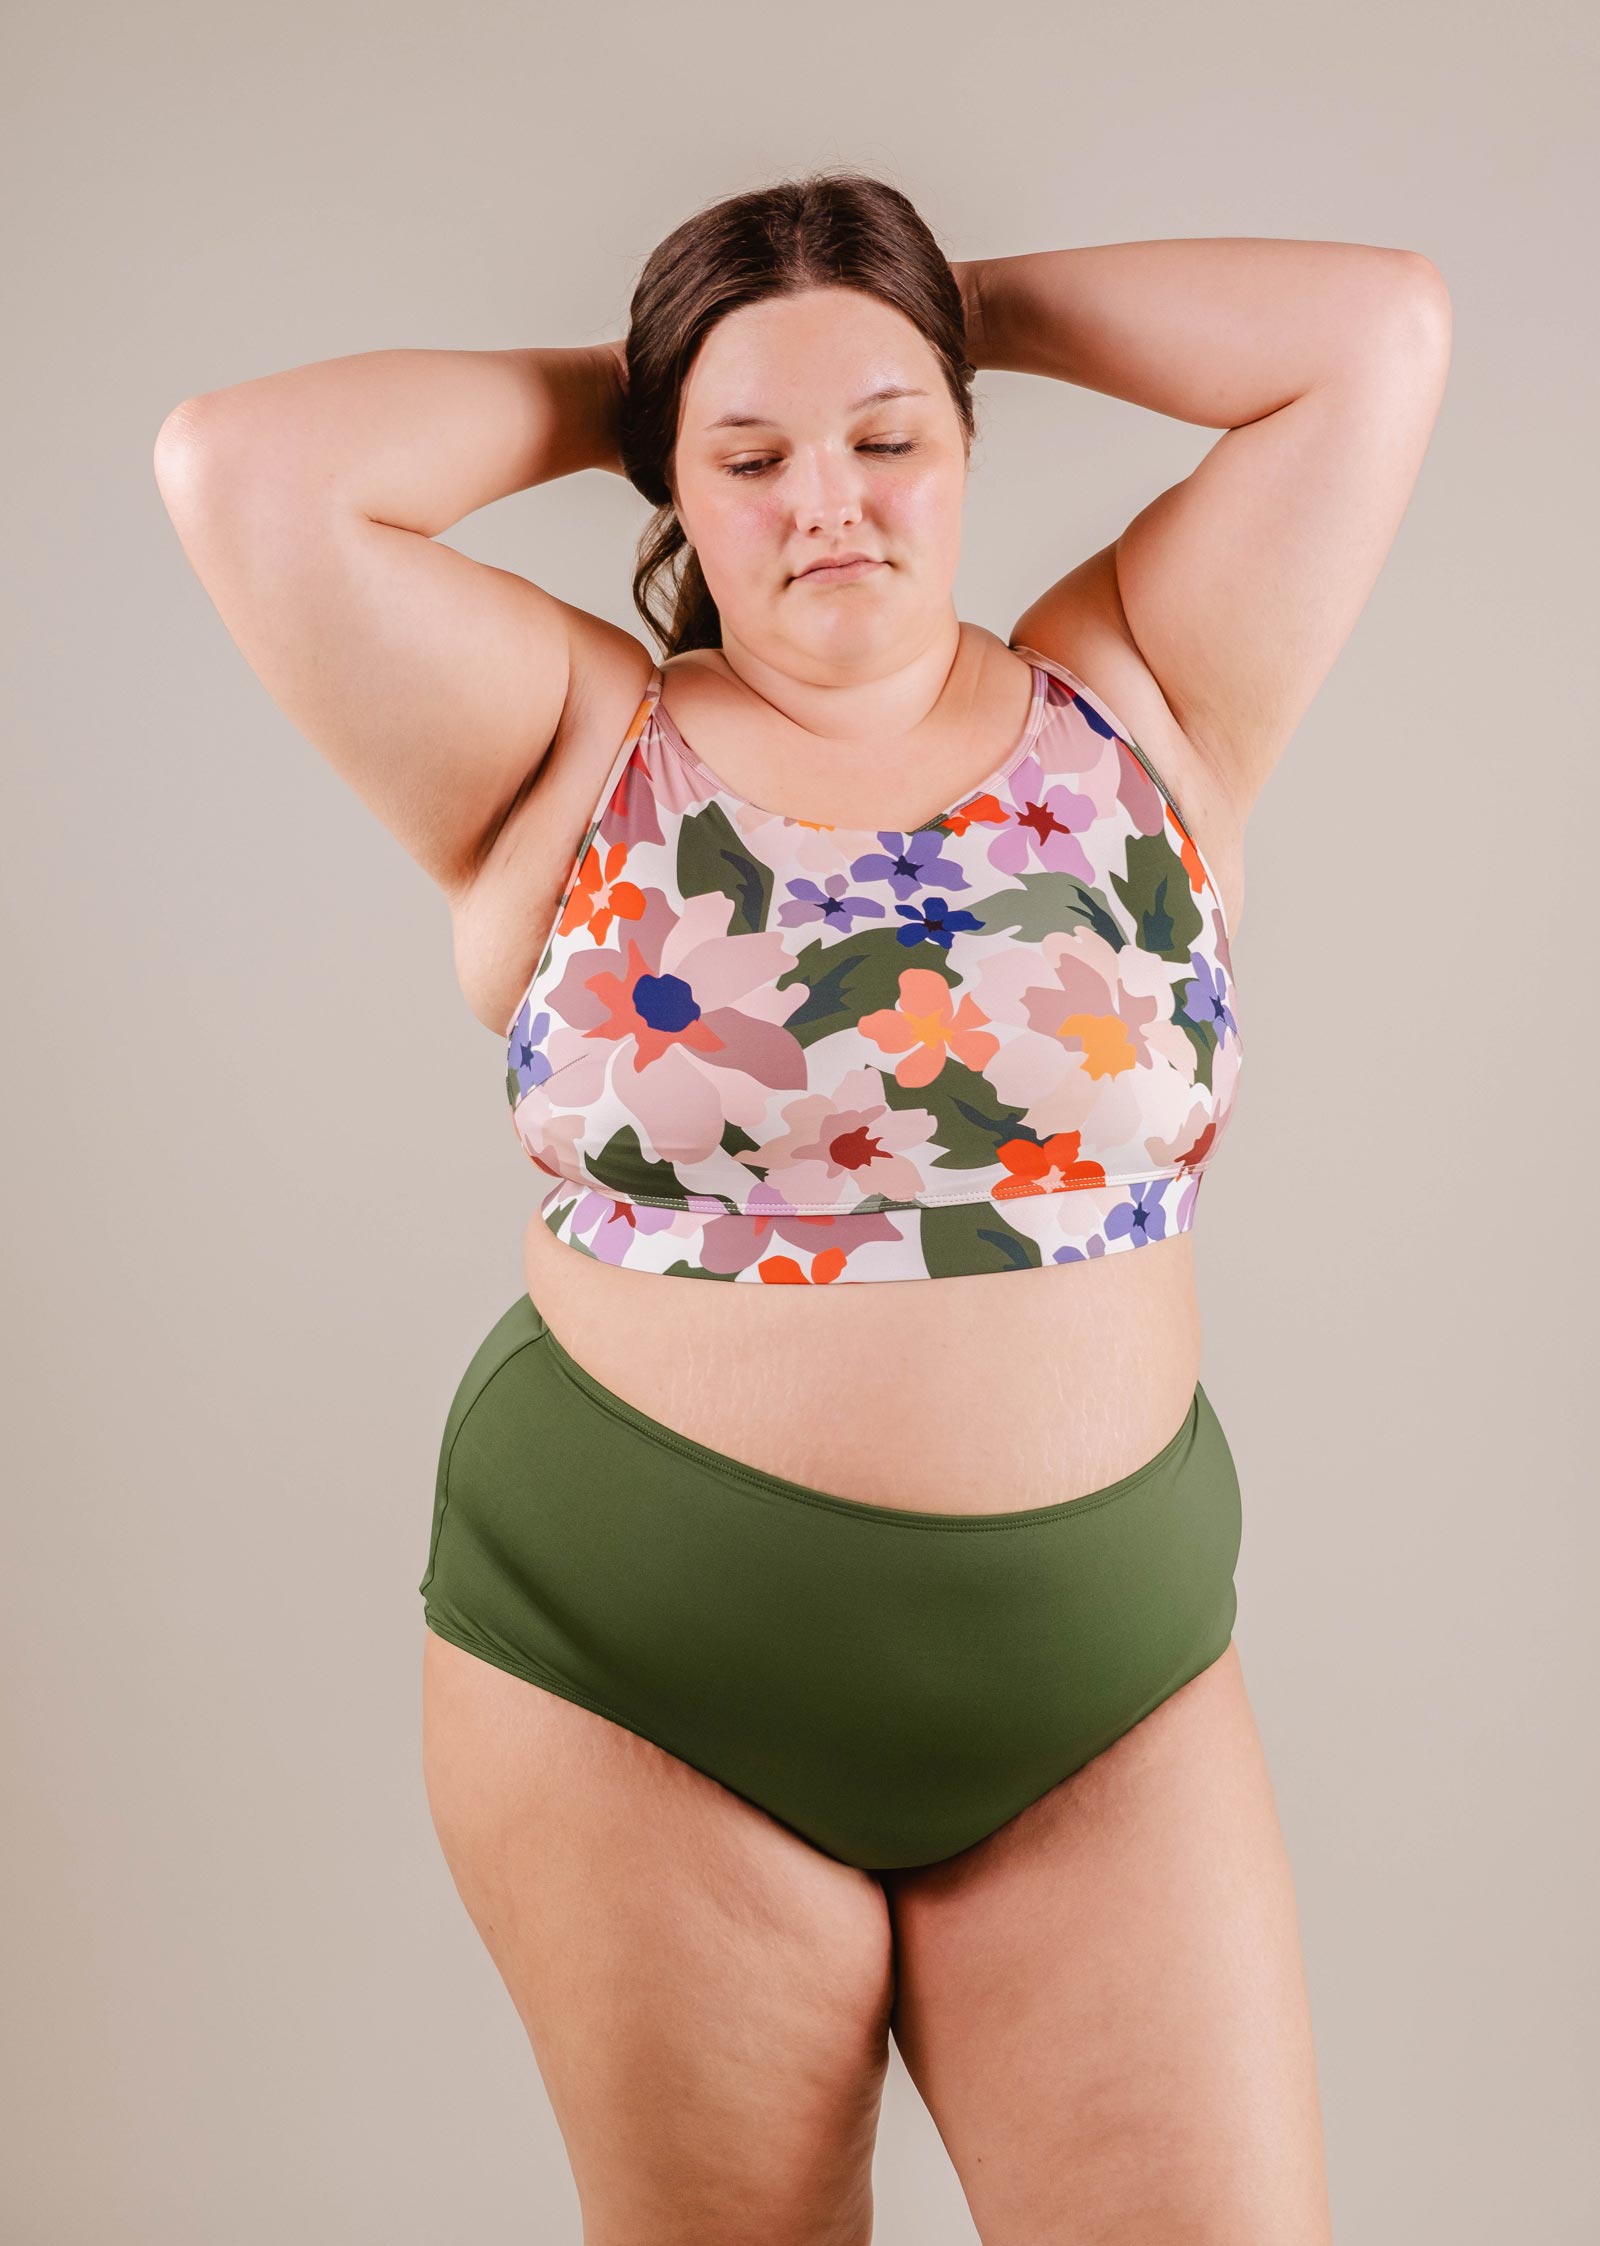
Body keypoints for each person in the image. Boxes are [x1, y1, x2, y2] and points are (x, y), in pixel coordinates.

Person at [154, 171, 1450, 2243]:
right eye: (745, 461)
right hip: (636, 1687)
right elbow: (242, 467)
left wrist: (917, 309)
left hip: (1098, 1698)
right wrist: (666, 367)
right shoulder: (573, 743)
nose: (825, 498)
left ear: (958, 445)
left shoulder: (1138, 700)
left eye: (886, 436)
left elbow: (1370, 333)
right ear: (670, 489)